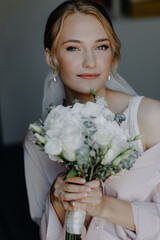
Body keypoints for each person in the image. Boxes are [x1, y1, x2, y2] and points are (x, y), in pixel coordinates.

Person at [24, 0, 160, 239]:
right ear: (51, 57)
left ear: (113, 52)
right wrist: (57, 201)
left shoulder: (150, 119)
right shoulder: (39, 139)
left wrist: (104, 206)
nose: (90, 61)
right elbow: (44, 232)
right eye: (73, 48)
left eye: (101, 47)